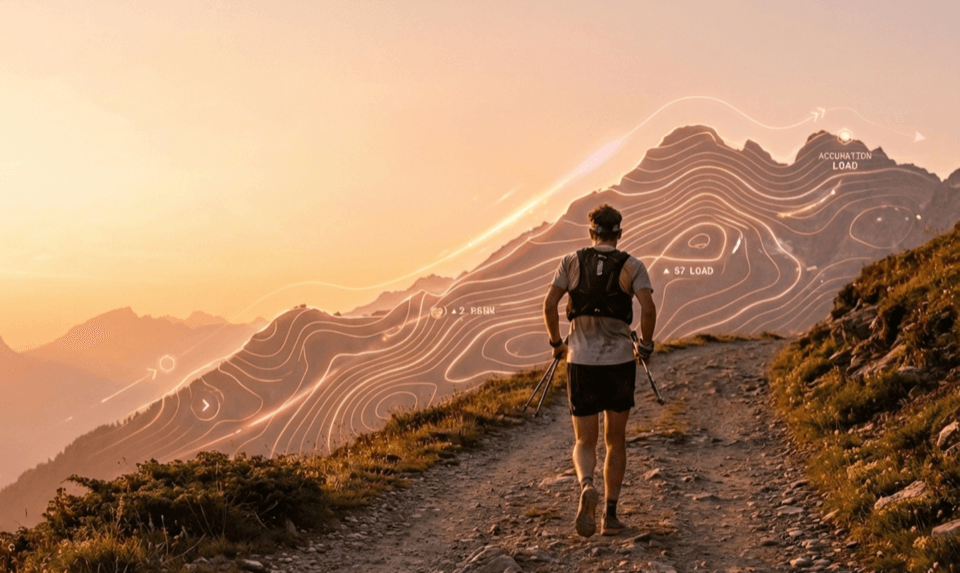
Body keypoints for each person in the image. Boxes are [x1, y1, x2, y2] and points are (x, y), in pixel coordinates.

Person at [542, 203, 657, 537]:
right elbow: (647, 309)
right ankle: (610, 515)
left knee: (584, 440)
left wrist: (556, 345)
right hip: (619, 360)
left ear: (591, 232)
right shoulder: (633, 266)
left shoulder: (571, 262)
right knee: (615, 440)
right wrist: (645, 347)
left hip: (580, 360)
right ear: (619, 233)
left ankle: (585, 486)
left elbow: (549, 305)